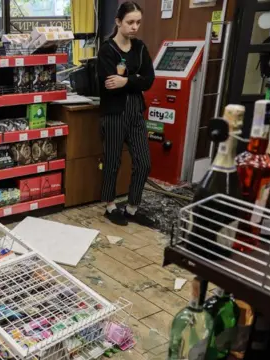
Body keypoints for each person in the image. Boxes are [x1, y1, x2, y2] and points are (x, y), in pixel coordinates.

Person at [97, 1, 155, 226]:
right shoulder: (107, 50)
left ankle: (132, 207)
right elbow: (110, 83)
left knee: (144, 162)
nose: (134, 27)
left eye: (138, 22)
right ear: (118, 22)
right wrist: (135, 80)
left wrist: (127, 81)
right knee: (112, 161)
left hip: (135, 112)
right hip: (114, 113)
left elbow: (149, 80)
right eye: (130, 22)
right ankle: (110, 205)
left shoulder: (140, 48)